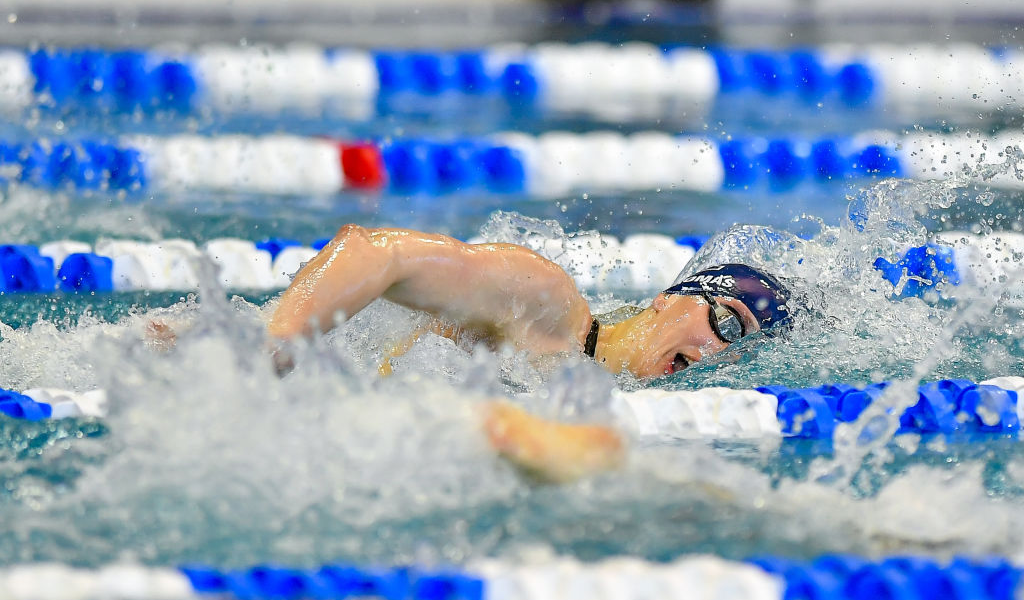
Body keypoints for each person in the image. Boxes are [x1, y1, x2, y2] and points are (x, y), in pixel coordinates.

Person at [267, 224, 793, 378]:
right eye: (728, 323)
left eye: (739, 351)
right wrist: (279, 348)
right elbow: (377, 252)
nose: (720, 351)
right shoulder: (544, 305)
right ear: (667, 300)